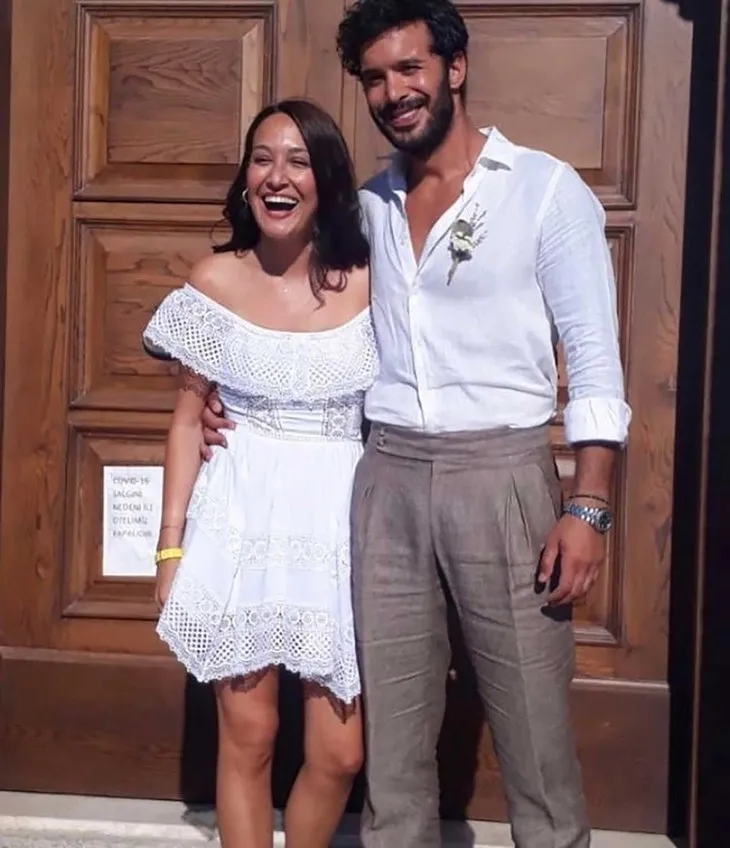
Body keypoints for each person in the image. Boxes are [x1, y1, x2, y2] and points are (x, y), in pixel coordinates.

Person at [201, 1, 631, 847]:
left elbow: (594, 355)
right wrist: (229, 394)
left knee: (535, 734)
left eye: (410, 68)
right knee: (393, 753)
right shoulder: (364, 210)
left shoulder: (544, 190)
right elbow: (292, 304)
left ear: (454, 68)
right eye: (375, 78)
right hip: (387, 477)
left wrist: (589, 505)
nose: (394, 92)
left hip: (502, 475)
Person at [143, 98, 374, 848]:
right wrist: (170, 549)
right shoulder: (214, 280)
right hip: (238, 522)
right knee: (250, 736)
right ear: (245, 179)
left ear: (326, 181)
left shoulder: (371, 284)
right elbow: (187, 422)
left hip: (337, 532)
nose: (278, 177)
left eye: (298, 161)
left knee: (340, 754)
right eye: (263, 159)